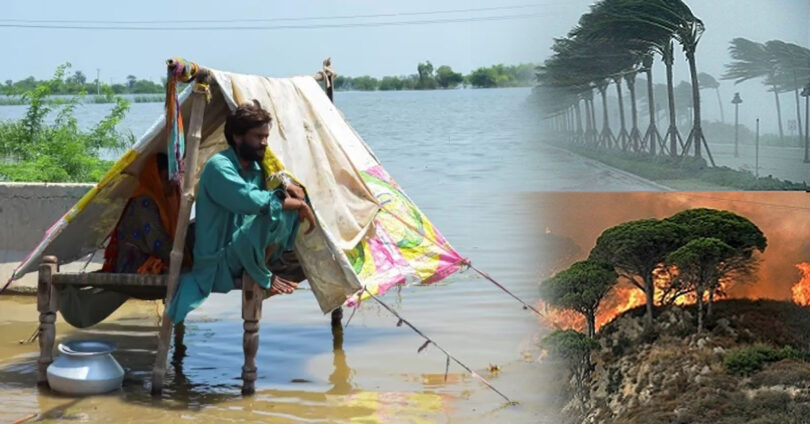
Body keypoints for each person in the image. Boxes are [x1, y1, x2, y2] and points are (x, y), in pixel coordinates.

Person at [168, 100, 315, 323]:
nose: (264, 143)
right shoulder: (219, 167)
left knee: (294, 199)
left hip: (243, 248)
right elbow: (250, 201)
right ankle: (259, 271)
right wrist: (298, 205)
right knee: (277, 208)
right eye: (258, 137)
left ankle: (261, 264)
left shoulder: (257, 167)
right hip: (220, 261)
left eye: (266, 137)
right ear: (237, 137)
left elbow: (280, 184)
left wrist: (292, 191)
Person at [59, 153, 189, 328]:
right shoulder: (145, 202)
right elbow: (157, 243)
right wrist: (186, 259)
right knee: (186, 274)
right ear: (155, 178)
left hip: (139, 260)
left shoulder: (159, 200)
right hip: (133, 264)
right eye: (165, 179)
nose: (170, 184)